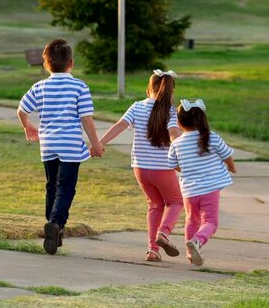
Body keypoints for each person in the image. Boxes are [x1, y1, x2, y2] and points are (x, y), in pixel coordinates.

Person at [17, 38, 103, 255]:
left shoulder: (40, 86)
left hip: (48, 145)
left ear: (46, 64)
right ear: (71, 63)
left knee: (51, 186)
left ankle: (54, 229)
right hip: (70, 147)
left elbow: (21, 110)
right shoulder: (79, 86)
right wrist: (96, 144)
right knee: (65, 188)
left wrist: (27, 127)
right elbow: (86, 119)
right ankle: (55, 224)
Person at [98, 70, 183, 262]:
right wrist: (183, 152)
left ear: (148, 90)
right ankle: (163, 233)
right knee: (176, 202)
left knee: (155, 205)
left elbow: (120, 125)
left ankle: (153, 250)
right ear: (170, 91)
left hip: (140, 169)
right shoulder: (169, 110)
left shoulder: (137, 107)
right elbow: (173, 134)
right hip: (162, 168)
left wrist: (100, 143)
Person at [168, 99, 236, 266]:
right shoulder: (212, 138)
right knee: (211, 222)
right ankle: (197, 241)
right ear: (202, 119)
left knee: (192, 220)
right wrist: (231, 167)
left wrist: (187, 169)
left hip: (189, 191)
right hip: (210, 190)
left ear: (179, 123)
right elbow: (227, 155)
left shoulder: (177, 143)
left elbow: (173, 165)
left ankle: (190, 255)